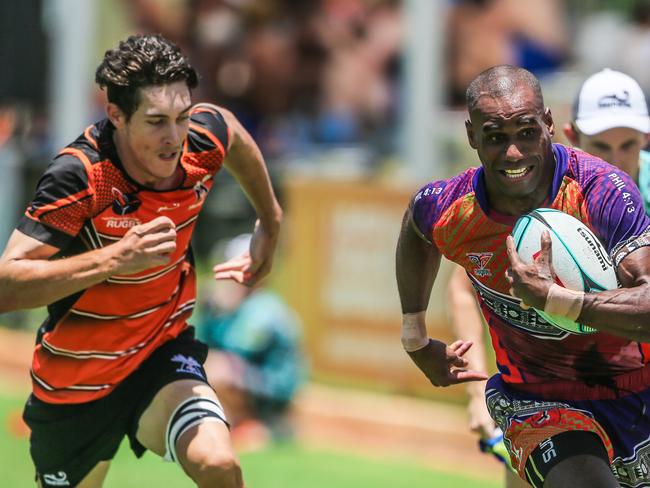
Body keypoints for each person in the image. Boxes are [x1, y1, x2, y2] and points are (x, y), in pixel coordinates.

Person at [0, 34, 283, 487]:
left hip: (160, 352)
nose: (174, 137)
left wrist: (270, 220)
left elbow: (231, 131)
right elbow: (6, 285)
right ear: (116, 115)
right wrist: (115, 259)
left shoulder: (200, 140)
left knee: (219, 465)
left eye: (182, 116)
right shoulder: (81, 175)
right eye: (155, 121)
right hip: (74, 382)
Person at [396, 64, 650, 488]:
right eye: (495, 137)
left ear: (549, 124)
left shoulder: (602, 191)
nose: (513, 153)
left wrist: (555, 301)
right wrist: (414, 335)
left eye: (527, 132)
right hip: (535, 400)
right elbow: (416, 226)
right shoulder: (450, 207)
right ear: (472, 136)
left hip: (635, 392)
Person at [199, 234, 304, 446]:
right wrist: (209, 310)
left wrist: (223, 310)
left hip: (272, 392)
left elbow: (237, 350)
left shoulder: (264, 308)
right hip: (250, 381)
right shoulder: (238, 304)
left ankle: (252, 426)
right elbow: (203, 346)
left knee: (218, 368)